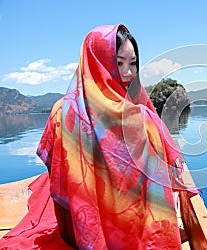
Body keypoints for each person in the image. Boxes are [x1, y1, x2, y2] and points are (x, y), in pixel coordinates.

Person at [0, 24, 196, 249]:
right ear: (97, 62)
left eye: (133, 64)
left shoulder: (62, 110)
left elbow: (55, 173)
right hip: (129, 231)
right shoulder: (140, 116)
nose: (128, 73)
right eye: (118, 63)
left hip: (73, 229)